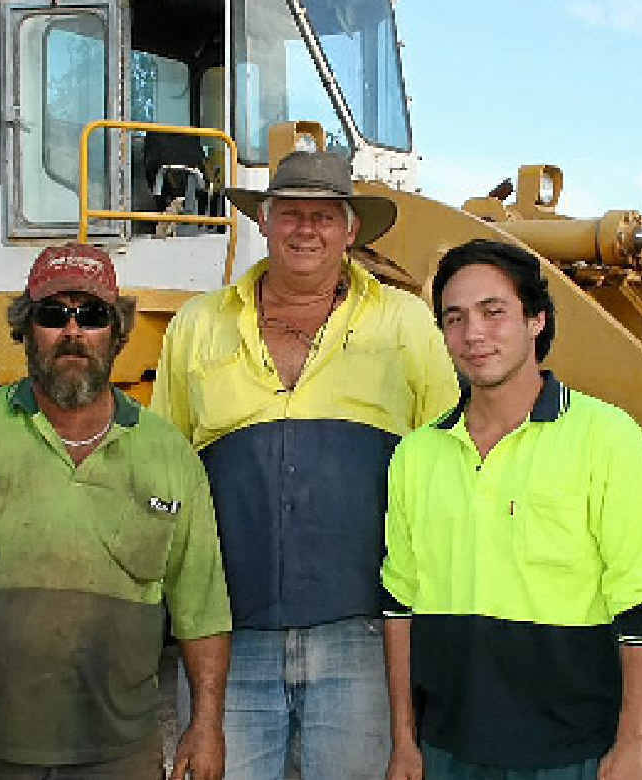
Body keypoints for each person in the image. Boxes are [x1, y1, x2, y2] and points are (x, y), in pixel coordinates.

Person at [151, 150, 458, 779]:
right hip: (229, 640)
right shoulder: (197, 325)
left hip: (363, 636)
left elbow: (447, 465)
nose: (306, 229)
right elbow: (166, 472)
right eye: (290, 214)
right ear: (263, 223)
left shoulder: (406, 324)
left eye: (324, 216)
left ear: (351, 230)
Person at [0, 243, 232, 780]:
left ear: (117, 332)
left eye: (91, 316)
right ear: (25, 328)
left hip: (118, 757)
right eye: (52, 315)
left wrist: (206, 725)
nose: (72, 332)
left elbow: (201, 608)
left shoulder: (168, 453)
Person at [381, 239, 642, 780]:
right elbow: (401, 606)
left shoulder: (607, 438)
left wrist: (633, 743)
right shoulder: (415, 455)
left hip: (571, 754)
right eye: (455, 318)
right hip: (449, 750)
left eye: (494, 312)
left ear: (536, 319)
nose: (474, 334)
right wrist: (405, 741)